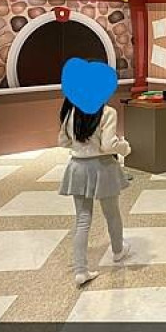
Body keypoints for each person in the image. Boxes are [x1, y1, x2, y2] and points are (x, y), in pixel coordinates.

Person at [58, 98, 132, 287]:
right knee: (112, 213)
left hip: (77, 167)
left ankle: (80, 270)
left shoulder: (71, 111)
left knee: (82, 219)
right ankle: (118, 250)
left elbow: (63, 141)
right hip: (103, 167)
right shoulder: (108, 112)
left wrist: (81, 145)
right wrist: (124, 147)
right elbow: (108, 145)